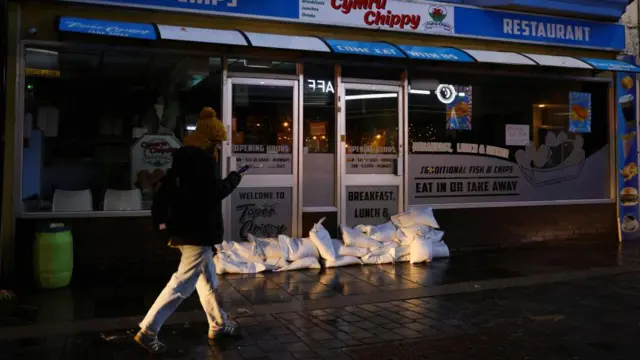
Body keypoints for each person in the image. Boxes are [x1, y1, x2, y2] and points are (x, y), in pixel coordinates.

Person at [134, 145, 242, 354]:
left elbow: (161, 207)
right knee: (181, 285)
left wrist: (165, 232)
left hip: (182, 237)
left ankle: (218, 324)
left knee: (207, 281)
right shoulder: (201, 182)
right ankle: (148, 330)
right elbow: (218, 190)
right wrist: (235, 178)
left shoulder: (176, 180)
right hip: (198, 240)